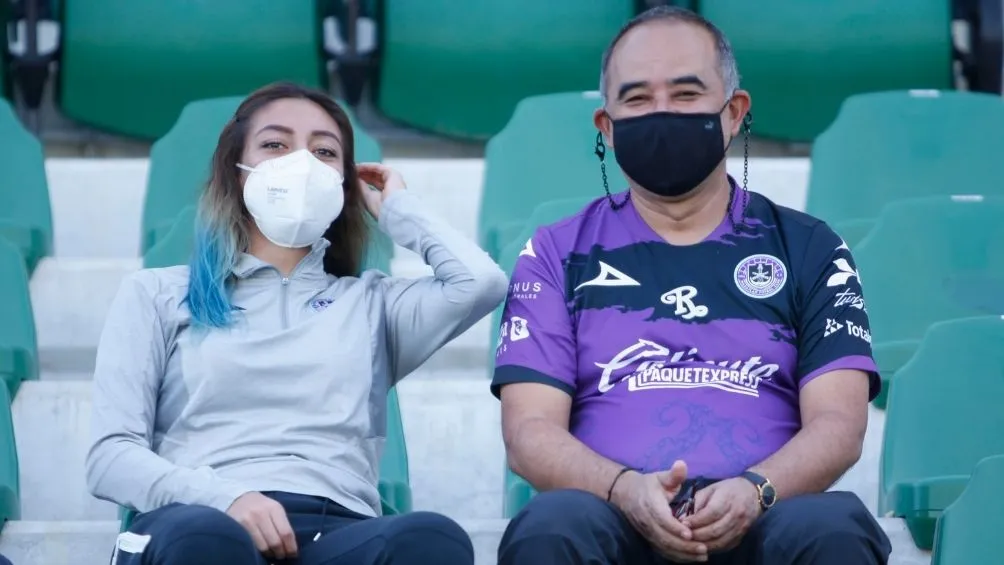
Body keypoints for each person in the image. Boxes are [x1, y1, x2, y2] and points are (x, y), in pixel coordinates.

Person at [492, 6, 891, 565]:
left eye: (685, 95)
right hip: (609, 520)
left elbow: (840, 423)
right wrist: (624, 490)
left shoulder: (811, 248)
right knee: (552, 522)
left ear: (734, 113)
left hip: (768, 519)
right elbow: (529, 430)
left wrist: (755, 491)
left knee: (837, 522)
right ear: (605, 126)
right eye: (636, 99)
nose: (661, 114)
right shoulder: (556, 254)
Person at [85, 82, 508, 565]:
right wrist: (226, 499)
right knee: (207, 542)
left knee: (433, 538)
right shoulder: (156, 292)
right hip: (198, 522)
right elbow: (110, 457)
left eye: (324, 152)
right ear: (237, 170)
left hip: (336, 530)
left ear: (344, 181)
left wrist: (397, 211)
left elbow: (480, 283)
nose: (301, 163)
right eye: (275, 145)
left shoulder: (372, 305)